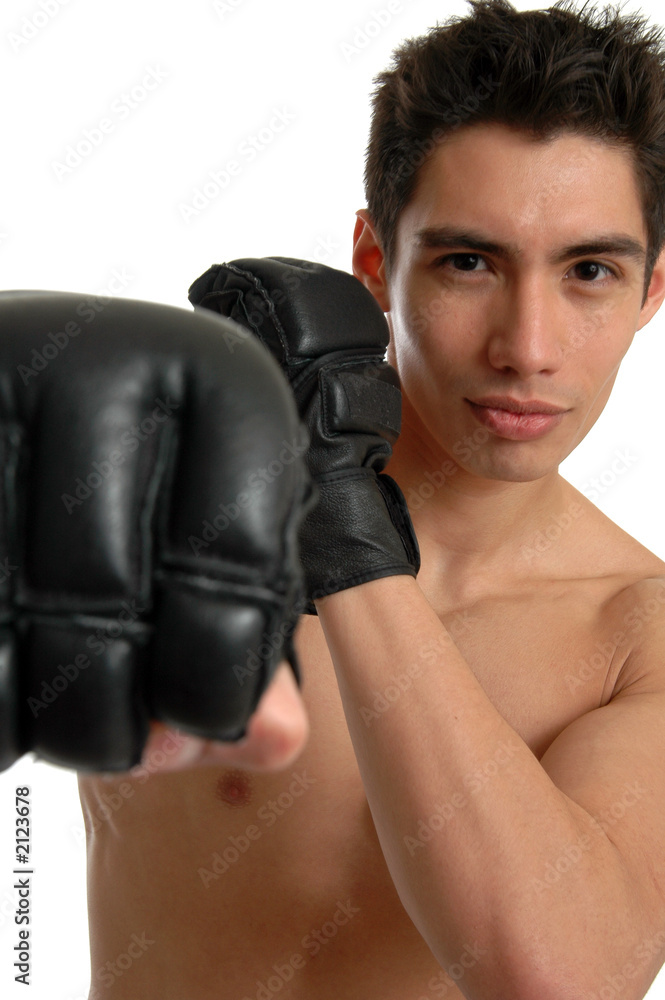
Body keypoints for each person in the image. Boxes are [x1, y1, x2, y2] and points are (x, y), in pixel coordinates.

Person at [79, 0, 665, 996]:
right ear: (372, 263)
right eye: (468, 262)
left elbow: (555, 978)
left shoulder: (637, 638)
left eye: (588, 270)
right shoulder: (164, 514)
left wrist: (339, 515)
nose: (525, 347)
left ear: (649, 290)